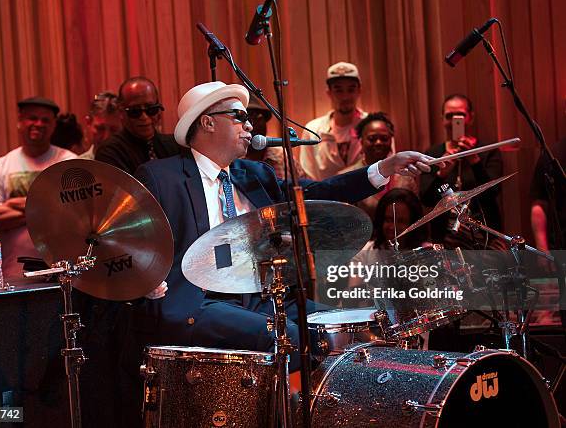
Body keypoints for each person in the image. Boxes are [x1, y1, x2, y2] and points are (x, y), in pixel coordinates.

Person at [134, 81, 435, 378]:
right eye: (239, 117)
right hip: (201, 300)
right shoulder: (162, 177)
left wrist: (383, 168)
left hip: (261, 296)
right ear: (208, 123)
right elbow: (130, 239)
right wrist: (145, 278)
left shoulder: (254, 175)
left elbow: (316, 193)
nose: (250, 125)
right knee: (287, 336)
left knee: (346, 325)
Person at [0, 96, 77, 279]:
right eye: (32, 118)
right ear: (20, 121)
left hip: (63, 272)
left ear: (54, 125)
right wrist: (47, 207)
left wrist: (13, 204)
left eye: (45, 120)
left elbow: (76, 212)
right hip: (12, 274)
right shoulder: (1, 166)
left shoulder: (70, 163)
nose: (38, 124)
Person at [419, 94, 503, 248]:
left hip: (484, 239)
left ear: (470, 117)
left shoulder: (488, 151)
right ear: (443, 119)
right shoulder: (433, 154)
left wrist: (475, 161)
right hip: (445, 241)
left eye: (460, 115)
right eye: (449, 116)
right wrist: (441, 174)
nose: (453, 120)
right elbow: (426, 199)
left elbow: (493, 193)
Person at [95, 77, 180, 174]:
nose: (144, 117)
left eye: (151, 109)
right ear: (121, 112)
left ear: (159, 111)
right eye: (135, 111)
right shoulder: (110, 152)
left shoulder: (174, 145)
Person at [299, 62, 368, 180]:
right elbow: (308, 176)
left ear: (359, 91)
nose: (345, 97)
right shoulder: (312, 131)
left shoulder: (373, 127)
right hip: (324, 197)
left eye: (351, 90)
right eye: (338, 90)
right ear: (329, 93)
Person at [353, 112, 418, 220]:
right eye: (372, 138)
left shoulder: (405, 176)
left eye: (384, 138)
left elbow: (415, 214)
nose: (378, 143)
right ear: (361, 141)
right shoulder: (350, 176)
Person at [245, 95, 307, 178]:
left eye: (259, 117)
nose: (256, 125)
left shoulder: (282, 155)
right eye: (249, 118)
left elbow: (302, 185)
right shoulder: (233, 159)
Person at [79, 92, 122, 159]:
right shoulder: (77, 166)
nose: (106, 137)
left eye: (114, 130)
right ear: (88, 122)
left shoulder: (133, 165)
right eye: (100, 129)